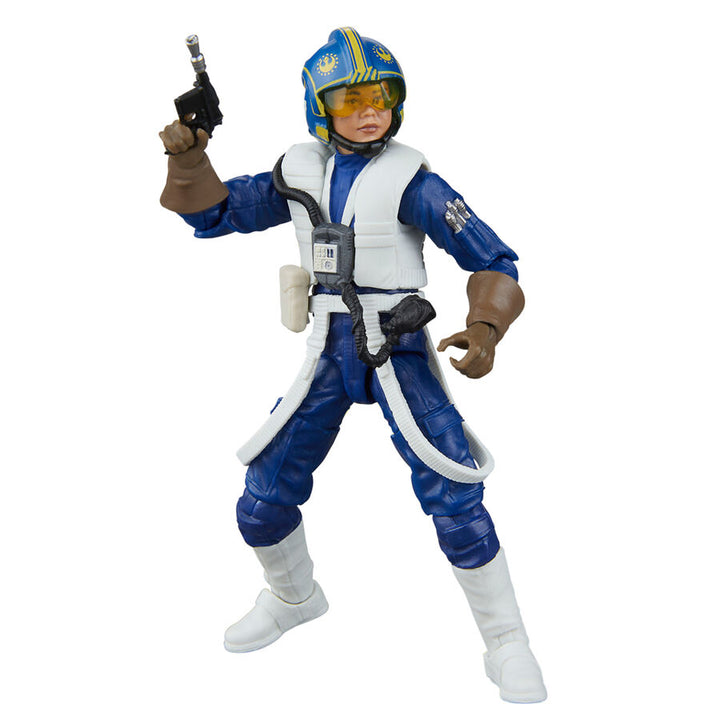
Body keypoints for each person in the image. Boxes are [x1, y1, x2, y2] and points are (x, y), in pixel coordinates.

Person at [159, 27, 546, 703]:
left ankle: (507, 640)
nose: (370, 112)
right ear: (320, 109)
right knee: (262, 497)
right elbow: (218, 214)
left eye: (382, 96)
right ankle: (292, 595)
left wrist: (486, 328)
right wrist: (190, 161)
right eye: (350, 100)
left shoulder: (415, 183)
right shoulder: (297, 173)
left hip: (398, 344)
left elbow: (493, 258)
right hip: (328, 347)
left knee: (455, 496)